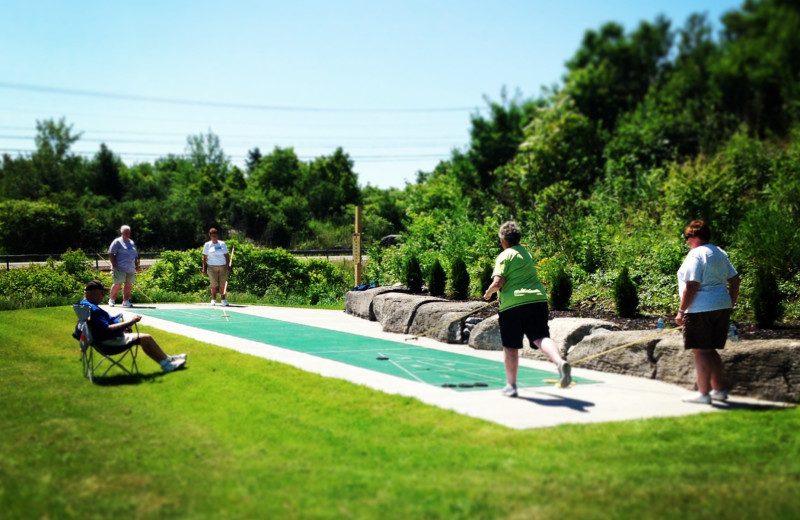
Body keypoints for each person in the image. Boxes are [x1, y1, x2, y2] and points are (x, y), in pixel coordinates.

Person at [483, 221, 571, 397]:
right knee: (541, 337)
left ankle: (511, 386)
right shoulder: (526, 254)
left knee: (510, 346)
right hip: (537, 300)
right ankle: (560, 362)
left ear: (503, 240)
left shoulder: (504, 255)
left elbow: (498, 282)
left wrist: (488, 293)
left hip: (512, 306)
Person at [675, 219, 740, 404]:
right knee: (711, 350)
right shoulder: (719, 252)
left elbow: (692, 284)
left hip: (700, 310)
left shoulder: (696, 254)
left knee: (700, 351)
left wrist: (681, 311)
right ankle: (718, 390)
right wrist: (729, 303)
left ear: (694, 236)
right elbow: (735, 281)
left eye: (687, 237)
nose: (687, 241)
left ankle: (703, 394)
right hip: (721, 306)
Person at [77, 280, 186, 372]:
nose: (103, 296)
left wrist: (122, 330)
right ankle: (167, 363)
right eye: (102, 293)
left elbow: (101, 328)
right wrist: (131, 322)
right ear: (94, 293)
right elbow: (107, 328)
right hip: (108, 343)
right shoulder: (93, 309)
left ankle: (167, 360)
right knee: (145, 338)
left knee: (142, 338)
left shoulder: (84, 305)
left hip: (101, 340)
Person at [108, 225, 140, 308]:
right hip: (119, 267)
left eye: (128, 233)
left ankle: (126, 301)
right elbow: (111, 253)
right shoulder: (117, 242)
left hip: (130, 268)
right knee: (118, 283)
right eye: (126, 233)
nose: (127, 234)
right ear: (122, 233)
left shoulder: (132, 242)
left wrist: (137, 266)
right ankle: (111, 300)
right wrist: (114, 265)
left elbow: (135, 255)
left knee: (129, 284)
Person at [201, 227, 231, 306]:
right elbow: (204, 257)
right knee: (213, 283)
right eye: (213, 236)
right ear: (210, 236)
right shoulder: (207, 245)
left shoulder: (222, 244)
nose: (215, 238)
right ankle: (213, 299)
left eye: (216, 236)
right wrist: (204, 268)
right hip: (212, 267)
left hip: (223, 266)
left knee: (223, 284)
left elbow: (227, 255)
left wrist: (228, 266)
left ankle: (223, 300)